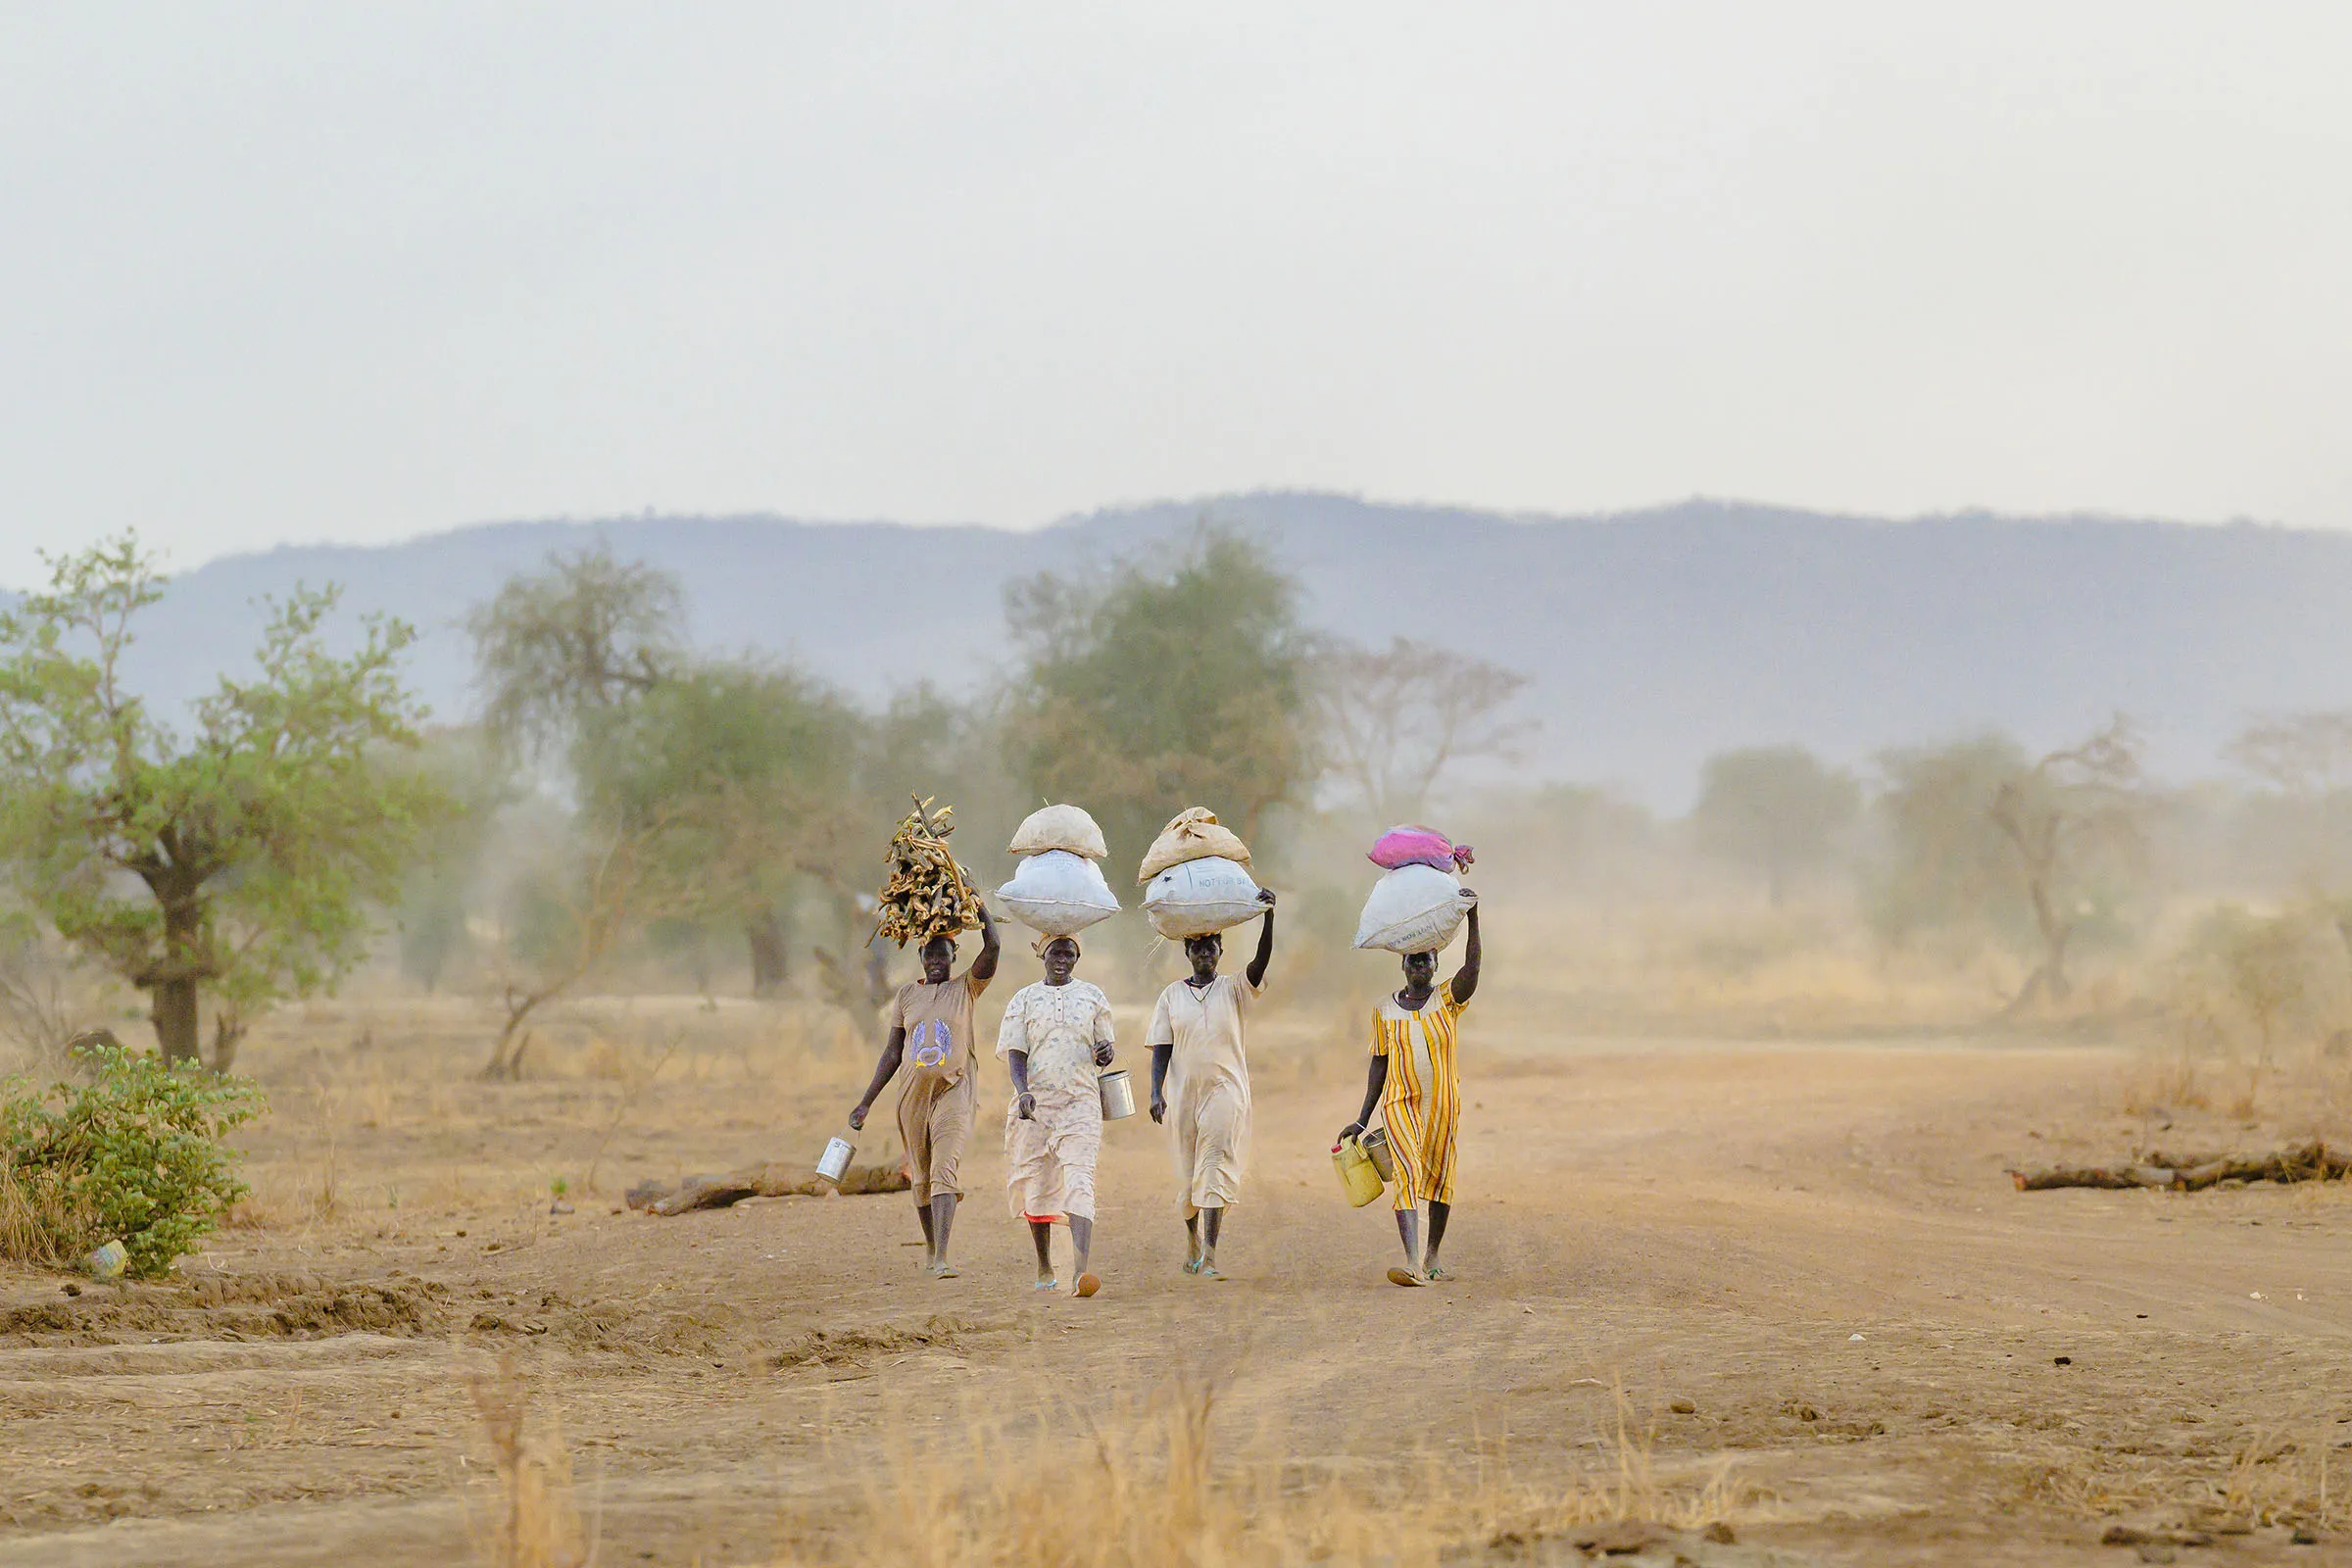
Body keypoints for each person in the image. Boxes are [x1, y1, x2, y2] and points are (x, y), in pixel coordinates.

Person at [848, 905, 1001, 1280]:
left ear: (954, 955)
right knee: (920, 1178)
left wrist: (978, 903)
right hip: (912, 1097)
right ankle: (931, 1248)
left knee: (944, 1168)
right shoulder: (905, 997)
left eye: (942, 953)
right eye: (929, 953)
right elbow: (892, 1053)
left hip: (954, 1092)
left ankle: (944, 1255)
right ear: (919, 956)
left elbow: (993, 946)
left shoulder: (965, 988)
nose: (935, 960)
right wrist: (866, 1101)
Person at [1338, 893, 1481, 1286]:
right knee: (1407, 1171)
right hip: (1400, 1105)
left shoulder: (1447, 999)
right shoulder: (1383, 1010)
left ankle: (1433, 1256)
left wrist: (1473, 918)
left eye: (1426, 959)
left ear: (1435, 963)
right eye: (1413, 960)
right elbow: (1379, 1066)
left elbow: (1472, 970)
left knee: (1439, 1175)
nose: (1420, 966)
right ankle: (1413, 1262)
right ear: (1402, 964)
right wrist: (1361, 1120)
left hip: (1444, 1106)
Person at [1147, 888, 1276, 1279]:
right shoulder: (1171, 996)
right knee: (1187, 1175)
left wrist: (1268, 918)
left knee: (1215, 1165)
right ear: (1187, 952)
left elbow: (1261, 962)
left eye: (1211, 948)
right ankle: (1192, 1239)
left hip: (1226, 1091)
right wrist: (1155, 1092)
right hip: (1183, 1093)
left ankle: (1212, 1254)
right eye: (1198, 948)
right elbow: (1161, 1049)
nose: (1205, 954)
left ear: (1221, 951)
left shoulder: (1235, 988)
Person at [1000, 933, 1116, 1298]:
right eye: (1055, 952)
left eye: (1069, 953)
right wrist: (1024, 1093)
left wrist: (1105, 1052)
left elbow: (1104, 1052)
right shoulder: (1024, 999)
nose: (1062, 959)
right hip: (1035, 1106)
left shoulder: (1093, 996)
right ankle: (1045, 1265)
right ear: (1042, 955)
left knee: (1080, 1181)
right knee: (1037, 1183)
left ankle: (1080, 1272)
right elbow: (1016, 1052)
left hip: (1081, 1102)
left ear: (1077, 957)